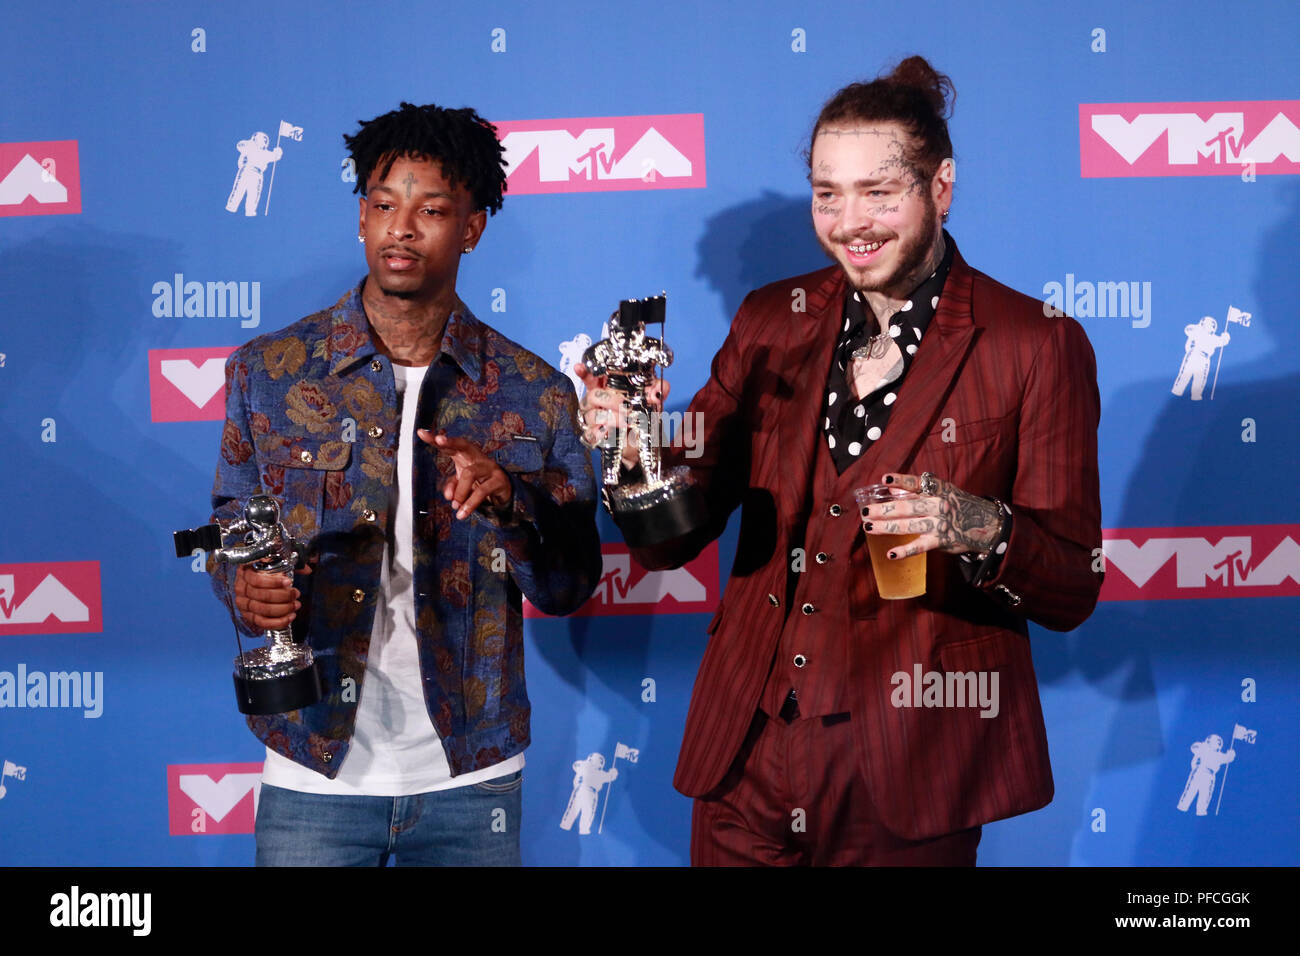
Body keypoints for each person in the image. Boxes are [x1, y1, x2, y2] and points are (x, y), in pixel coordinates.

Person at [578, 56, 1103, 865]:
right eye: (828, 194)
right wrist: (631, 452)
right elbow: (667, 544)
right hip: (745, 760)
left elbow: (1072, 583)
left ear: (942, 186)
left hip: (914, 764)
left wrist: (981, 529)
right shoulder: (771, 322)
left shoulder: (1035, 341)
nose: (850, 221)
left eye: (879, 192)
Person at [208, 101, 602, 866]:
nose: (402, 229)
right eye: (384, 205)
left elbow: (569, 583)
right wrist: (243, 587)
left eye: (432, 210)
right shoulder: (269, 373)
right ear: (362, 218)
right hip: (312, 765)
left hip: (472, 772)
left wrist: (511, 504)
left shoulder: (534, 392)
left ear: (473, 228)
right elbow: (232, 525)